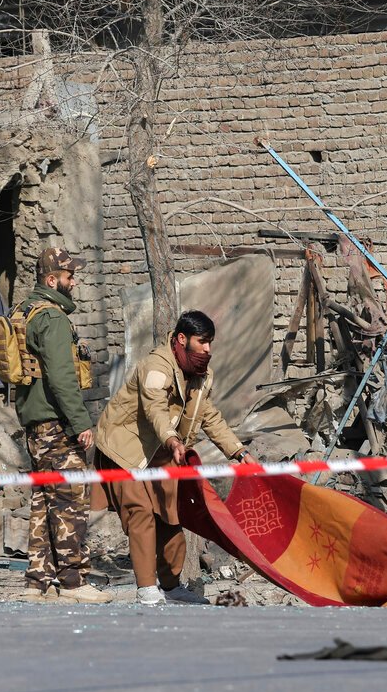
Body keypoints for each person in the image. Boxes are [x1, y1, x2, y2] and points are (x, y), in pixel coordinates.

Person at [94, 310, 255, 606]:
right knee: (140, 514)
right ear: (182, 339)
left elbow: (208, 415)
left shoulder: (201, 374)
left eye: (210, 343)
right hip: (126, 449)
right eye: (202, 342)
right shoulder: (156, 365)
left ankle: (171, 586)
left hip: (164, 453)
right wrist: (171, 438)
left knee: (170, 517)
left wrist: (239, 451)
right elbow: (155, 407)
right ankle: (146, 589)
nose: (208, 349)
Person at [16, 247, 112, 604]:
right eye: (70, 277)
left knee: (43, 502)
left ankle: (37, 582)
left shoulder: (24, 311)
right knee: (71, 501)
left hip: (34, 426)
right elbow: (61, 377)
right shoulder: (52, 318)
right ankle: (73, 581)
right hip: (57, 424)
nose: (74, 282)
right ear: (51, 279)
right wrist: (80, 422)